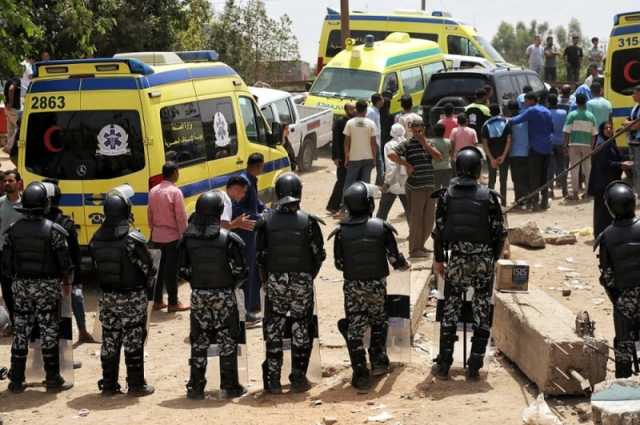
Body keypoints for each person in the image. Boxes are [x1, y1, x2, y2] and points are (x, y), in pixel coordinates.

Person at [431, 147, 507, 380]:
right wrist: (491, 259)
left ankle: (444, 364)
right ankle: (474, 366)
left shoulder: (446, 195)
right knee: (482, 311)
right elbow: (500, 233)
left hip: (457, 260)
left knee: (451, 310)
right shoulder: (491, 197)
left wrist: (439, 259)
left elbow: (438, 231)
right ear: (477, 170)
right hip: (483, 259)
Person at [331, 181, 410, 391]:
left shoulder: (340, 232)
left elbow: (339, 264)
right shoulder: (381, 227)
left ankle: (360, 373)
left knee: (354, 327)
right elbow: (395, 260)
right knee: (379, 321)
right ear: (368, 203)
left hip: (352, 287)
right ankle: (378, 362)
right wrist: (404, 265)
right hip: (376, 286)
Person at [257, 173, 326, 394]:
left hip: (275, 281)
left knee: (274, 330)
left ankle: (273, 380)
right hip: (302, 281)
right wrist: (307, 277)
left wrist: (268, 279)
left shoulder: (265, 221)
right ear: (299, 193)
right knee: (301, 329)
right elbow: (319, 255)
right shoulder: (309, 221)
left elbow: (260, 256)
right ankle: (298, 378)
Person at [4, 182, 73, 393]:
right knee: (49, 330)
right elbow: (65, 264)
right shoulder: (54, 231)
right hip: (47, 288)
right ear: (44, 205)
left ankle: (16, 380)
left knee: (21, 332)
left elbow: (6, 264)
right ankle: (52, 378)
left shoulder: (13, 231)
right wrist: (65, 282)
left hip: (21, 287)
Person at [178, 191, 248, 400]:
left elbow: (181, 270)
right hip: (224, 295)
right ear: (219, 211)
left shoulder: (187, 239)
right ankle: (230, 386)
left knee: (199, 340)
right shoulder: (228, 238)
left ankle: (196, 387)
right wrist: (228, 286)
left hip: (198, 295)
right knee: (228, 340)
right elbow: (242, 270)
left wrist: (197, 283)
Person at [89, 188, 156, 397]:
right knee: (133, 339)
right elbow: (149, 269)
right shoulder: (132, 239)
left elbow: (95, 269)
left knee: (110, 339)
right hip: (132, 296)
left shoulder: (96, 238)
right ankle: (136, 385)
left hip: (108, 297)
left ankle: (109, 385)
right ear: (127, 210)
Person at [43, 178, 96, 344]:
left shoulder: (33, 223)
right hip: (65, 275)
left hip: (44, 275)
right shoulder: (65, 223)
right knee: (75, 298)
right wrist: (77, 277)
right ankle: (81, 332)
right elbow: (75, 253)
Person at [596, 181, 640, 378]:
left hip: (624, 299)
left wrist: (618, 300)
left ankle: (624, 382)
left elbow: (607, 277)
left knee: (623, 342)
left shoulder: (606, 237)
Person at [388, 117, 442, 258]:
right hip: (415, 186)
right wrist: (406, 165)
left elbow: (439, 157)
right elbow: (391, 154)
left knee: (429, 219)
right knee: (416, 219)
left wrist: (425, 144)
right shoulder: (407, 144)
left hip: (430, 186)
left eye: (420, 130)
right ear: (411, 130)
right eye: (415, 130)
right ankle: (414, 249)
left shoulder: (428, 143)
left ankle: (421, 245)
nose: (418, 132)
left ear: (423, 129)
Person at [148, 161, 189, 312]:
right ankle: (173, 302)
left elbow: (150, 214)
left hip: (157, 236)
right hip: (172, 237)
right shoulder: (175, 192)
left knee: (157, 270)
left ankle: (157, 301)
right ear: (174, 173)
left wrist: (153, 231)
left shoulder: (153, 191)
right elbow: (180, 217)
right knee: (171, 271)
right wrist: (183, 235)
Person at [233, 153, 266, 324]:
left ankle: (253, 306)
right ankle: (247, 311)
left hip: (252, 231)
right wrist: (258, 217)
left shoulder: (251, 179)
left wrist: (263, 208)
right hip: (244, 231)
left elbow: (255, 201)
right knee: (247, 270)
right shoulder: (242, 181)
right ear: (259, 165)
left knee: (254, 269)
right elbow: (237, 208)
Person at [510, 93, 554, 210]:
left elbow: (515, 120)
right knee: (544, 176)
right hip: (548, 147)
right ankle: (544, 201)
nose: (525, 104)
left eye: (526, 102)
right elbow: (551, 128)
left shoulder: (532, 111)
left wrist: (502, 119)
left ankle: (535, 203)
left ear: (531, 100)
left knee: (534, 176)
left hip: (536, 148)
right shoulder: (547, 111)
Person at [588, 123, 632, 237]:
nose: (609, 130)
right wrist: (621, 164)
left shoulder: (610, 142)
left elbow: (616, 156)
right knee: (602, 211)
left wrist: (626, 160)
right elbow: (605, 163)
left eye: (610, 128)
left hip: (608, 181)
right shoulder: (602, 144)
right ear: (601, 130)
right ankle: (600, 234)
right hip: (602, 183)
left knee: (608, 210)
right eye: (606, 128)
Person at [564, 93, 599, 200]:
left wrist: (565, 145)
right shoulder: (591, 116)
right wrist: (592, 147)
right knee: (588, 169)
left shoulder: (572, 115)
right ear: (585, 102)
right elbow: (594, 134)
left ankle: (575, 193)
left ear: (576, 102)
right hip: (587, 145)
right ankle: (587, 192)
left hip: (574, 145)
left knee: (574, 169)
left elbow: (566, 132)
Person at [0, 170, 23, 324]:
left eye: (10, 181)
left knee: (22, 290)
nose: (7, 183)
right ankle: (14, 322)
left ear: (19, 183)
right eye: (5, 181)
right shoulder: (0, 203)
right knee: (7, 290)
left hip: (22, 254)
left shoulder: (27, 204)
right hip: (3, 254)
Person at [377, 124, 410, 222]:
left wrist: (387, 182)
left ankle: (377, 232)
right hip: (407, 181)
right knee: (410, 211)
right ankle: (414, 234)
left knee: (383, 210)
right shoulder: (409, 143)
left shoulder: (389, 145)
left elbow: (391, 166)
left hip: (393, 182)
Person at [343, 100, 378, 191]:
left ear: (356, 109)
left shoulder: (350, 123)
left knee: (349, 183)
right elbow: (373, 143)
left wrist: (347, 157)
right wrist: (374, 159)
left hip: (353, 158)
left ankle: (345, 204)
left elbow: (346, 142)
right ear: (366, 110)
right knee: (366, 185)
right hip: (368, 158)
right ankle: (365, 204)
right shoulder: (371, 123)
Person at [327, 103, 355, 215]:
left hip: (352, 156)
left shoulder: (354, 122)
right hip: (342, 157)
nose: (354, 110)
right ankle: (333, 206)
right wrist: (336, 157)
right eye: (351, 108)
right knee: (341, 181)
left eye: (354, 108)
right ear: (346, 110)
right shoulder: (340, 122)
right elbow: (336, 141)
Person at [481, 104, 512, 205]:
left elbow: (485, 144)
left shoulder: (486, 125)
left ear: (490, 112)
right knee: (503, 179)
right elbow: (509, 141)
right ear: (499, 111)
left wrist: (491, 159)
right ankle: (503, 202)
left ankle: (490, 202)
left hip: (492, 155)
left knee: (492, 179)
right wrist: (503, 156)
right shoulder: (506, 123)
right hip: (504, 155)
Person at [507, 101, 530, 207]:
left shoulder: (509, 122)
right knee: (525, 177)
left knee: (516, 179)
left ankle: (520, 200)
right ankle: (527, 199)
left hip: (514, 154)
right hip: (526, 153)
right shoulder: (525, 120)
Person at [548, 95, 569, 199]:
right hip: (562, 142)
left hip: (550, 143)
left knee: (550, 169)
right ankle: (565, 190)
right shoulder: (564, 113)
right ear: (557, 102)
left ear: (548, 102)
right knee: (563, 167)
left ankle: (550, 191)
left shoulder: (546, 113)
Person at [430, 123, 454, 190]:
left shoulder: (431, 142)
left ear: (434, 132)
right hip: (447, 167)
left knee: (435, 189)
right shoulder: (449, 141)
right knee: (446, 189)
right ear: (444, 131)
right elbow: (451, 153)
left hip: (435, 168)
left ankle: (436, 201)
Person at [367, 93, 384, 186]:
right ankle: (379, 186)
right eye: (382, 99)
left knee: (379, 165)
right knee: (379, 165)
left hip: (377, 142)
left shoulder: (376, 111)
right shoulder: (371, 112)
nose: (383, 101)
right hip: (374, 143)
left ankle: (378, 185)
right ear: (378, 101)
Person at [3, 77, 20, 142]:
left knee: (10, 129)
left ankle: (9, 147)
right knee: (20, 126)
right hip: (13, 108)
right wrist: (10, 103)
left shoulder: (9, 80)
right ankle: (11, 146)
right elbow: (11, 89)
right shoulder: (16, 80)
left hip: (8, 108)